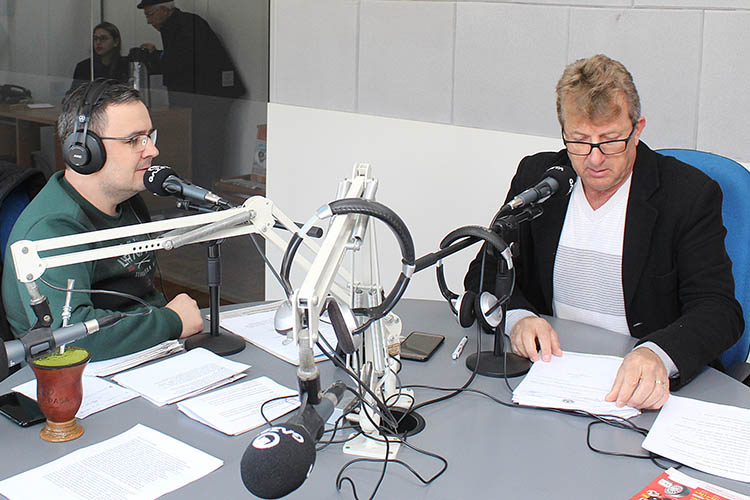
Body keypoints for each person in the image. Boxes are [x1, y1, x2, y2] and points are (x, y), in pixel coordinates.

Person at [464, 54, 743, 410]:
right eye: (580, 141)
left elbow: (719, 310)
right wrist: (519, 318)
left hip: (643, 392)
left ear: (637, 130)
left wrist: (658, 354)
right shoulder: (541, 180)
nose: (594, 159)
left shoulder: (687, 195)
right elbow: (485, 271)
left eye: (610, 141)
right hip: (551, 376)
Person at [2, 81, 204, 361]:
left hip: (144, 354)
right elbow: (70, 339)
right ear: (84, 150)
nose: (151, 151)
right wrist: (171, 321)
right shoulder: (52, 229)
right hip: (76, 374)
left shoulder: (128, 202)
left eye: (149, 136)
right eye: (134, 140)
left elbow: (142, 296)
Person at [136, 0, 246, 189]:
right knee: (200, 150)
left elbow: (181, 63)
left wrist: (156, 57)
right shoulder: (184, 23)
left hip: (206, 102)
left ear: (164, 10)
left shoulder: (184, 25)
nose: (148, 21)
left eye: (149, 14)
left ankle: (206, 193)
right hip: (204, 100)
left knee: (204, 151)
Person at [70, 22, 130, 92]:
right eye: (95, 39)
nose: (98, 42)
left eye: (103, 38)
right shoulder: (84, 67)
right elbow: (73, 94)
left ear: (116, 42)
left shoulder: (126, 65)